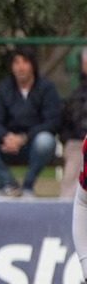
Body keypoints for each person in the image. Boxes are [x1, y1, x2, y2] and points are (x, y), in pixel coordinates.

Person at [0, 48, 61, 196]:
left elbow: (52, 122)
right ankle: (8, 184)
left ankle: (27, 186)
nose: (20, 67)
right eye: (16, 62)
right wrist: (8, 137)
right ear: (11, 66)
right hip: (7, 145)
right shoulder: (4, 88)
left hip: (33, 144)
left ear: (33, 65)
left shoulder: (47, 88)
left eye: (25, 62)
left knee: (46, 141)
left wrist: (24, 138)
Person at [59, 53, 87, 203]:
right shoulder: (76, 95)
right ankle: (65, 209)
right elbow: (66, 124)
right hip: (78, 143)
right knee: (74, 158)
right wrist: (69, 140)